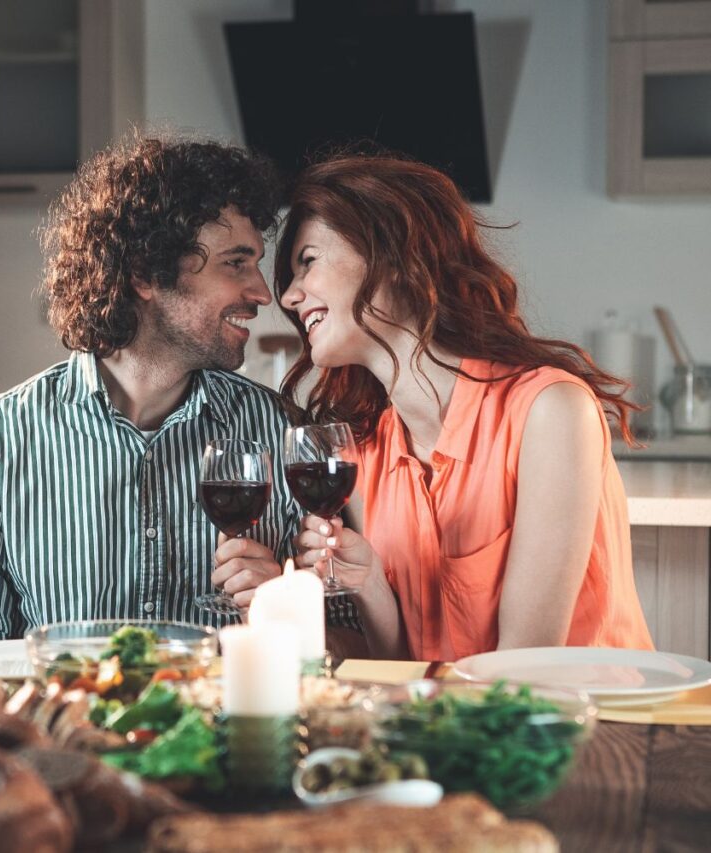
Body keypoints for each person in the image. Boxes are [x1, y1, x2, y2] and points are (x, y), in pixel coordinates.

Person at [0, 134, 303, 648]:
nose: (261, 293)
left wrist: (285, 607)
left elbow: (342, 644)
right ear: (144, 272)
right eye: (235, 263)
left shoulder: (276, 431)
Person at [277, 153, 654, 661]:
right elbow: (405, 666)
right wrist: (368, 581)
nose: (288, 296)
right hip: (453, 727)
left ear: (390, 252)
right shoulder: (367, 456)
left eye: (309, 261)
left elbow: (528, 664)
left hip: (589, 729)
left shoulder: (550, 412)